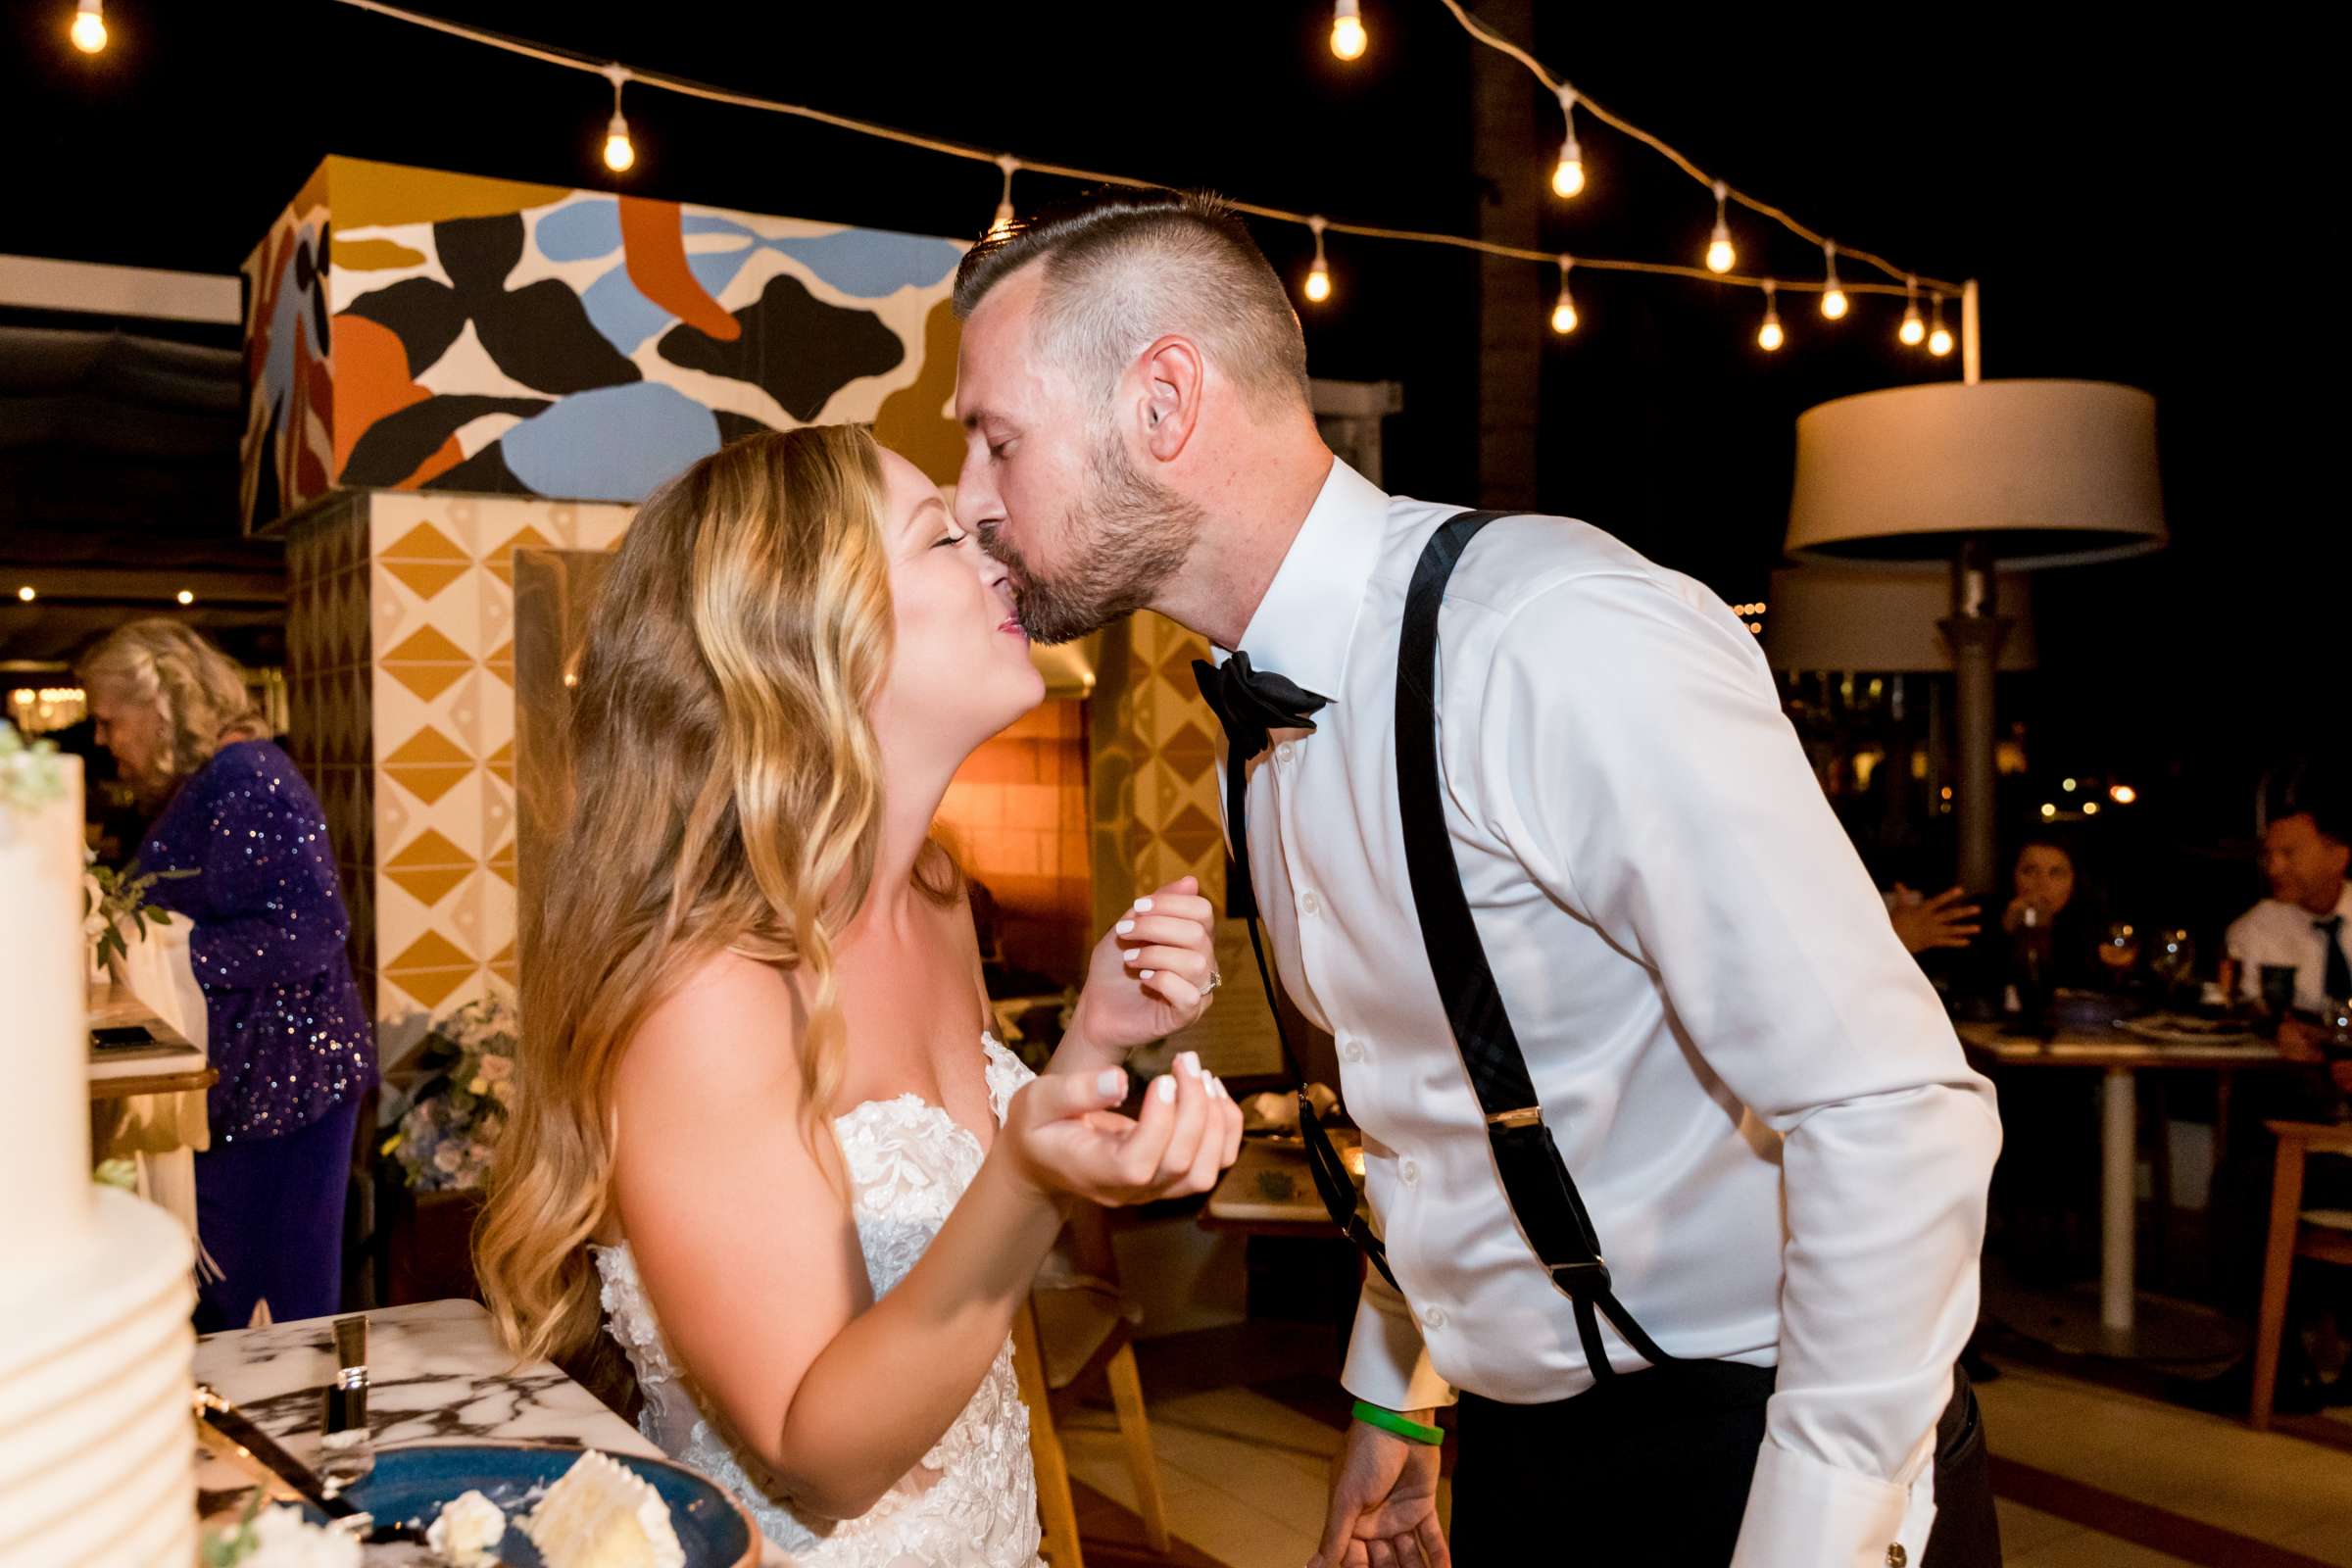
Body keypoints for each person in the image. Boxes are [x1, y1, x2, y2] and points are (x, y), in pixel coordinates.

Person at [950, 189, 2002, 1567]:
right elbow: (1434, 1120)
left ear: (1162, 401)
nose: (972, 501)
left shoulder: (1550, 639)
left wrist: (1806, 1535)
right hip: (1520, 1459)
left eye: (995, 441)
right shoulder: (1262, 737)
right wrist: (1400, 1410)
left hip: (1765, 1448)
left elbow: (1893, 1112)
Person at [473, 426, 1244, 1566]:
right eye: (939, 534)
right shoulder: (704, 993)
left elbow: (961, 1264)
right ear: (809, 645)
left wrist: (1096, 1032)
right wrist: (1032, 1173)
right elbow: (817, 1454)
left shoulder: (935, 900)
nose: (996, 554)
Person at [78, 618, 374, 1332]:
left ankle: (291, 1441)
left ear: (159, 706)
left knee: (275, 1314)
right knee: (241, 1306)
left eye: (108, 719)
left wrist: (172, 951)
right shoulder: (219, 781)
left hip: (285, 1091)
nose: (101, 739)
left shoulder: (247, 777)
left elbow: (310, 932)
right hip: (251, 1087)